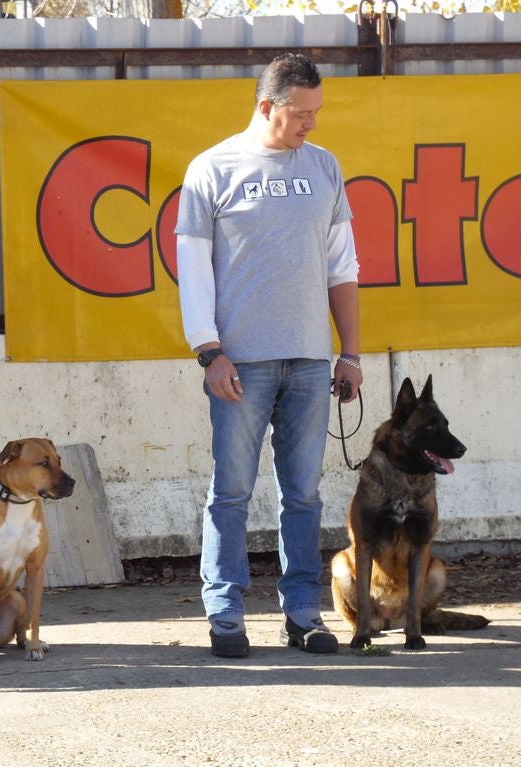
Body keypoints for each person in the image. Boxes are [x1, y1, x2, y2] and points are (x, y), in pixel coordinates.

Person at [174, 53, 363, 658]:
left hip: (311, 361)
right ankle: (225, 613)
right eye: (300, 114)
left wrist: (350, 352)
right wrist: (209, 351)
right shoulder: (212, 168)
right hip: (240, 365)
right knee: (230, 491)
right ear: (266, 106)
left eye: (317, 112)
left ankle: (303, 613)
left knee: (303, 495)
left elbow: (343, 267)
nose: (311, 123)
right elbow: (193, 272)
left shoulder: (326, 167)